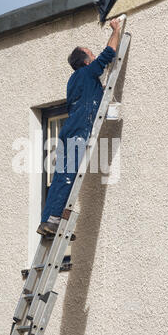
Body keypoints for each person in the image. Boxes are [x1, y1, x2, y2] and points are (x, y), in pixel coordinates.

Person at [37, 18, 121, 238]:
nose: (94, 57)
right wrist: (116, 29)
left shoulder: (75, 80)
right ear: (85, 62)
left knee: (60, 177)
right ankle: (54, 222)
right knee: (67, 177)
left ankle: (47, 222)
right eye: (91, 55)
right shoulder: (86, 73)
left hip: (69, 131)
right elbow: (109, 53)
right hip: (78, 132)